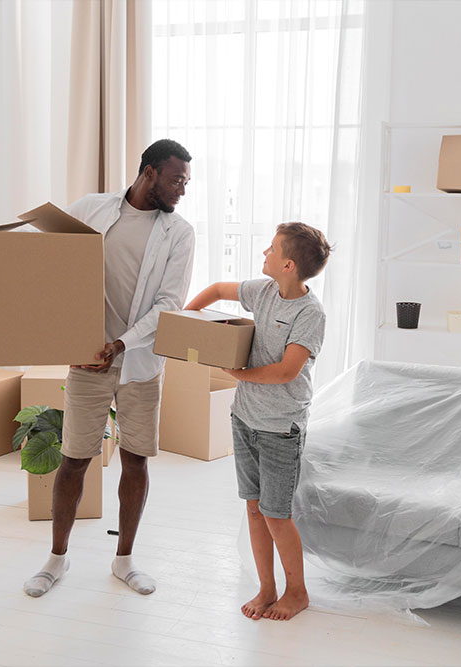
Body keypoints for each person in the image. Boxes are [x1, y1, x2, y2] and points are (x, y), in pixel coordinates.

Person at [0, 139, 195, 598]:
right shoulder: (91, 209)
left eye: (186, 181)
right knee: (75, 459)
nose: (183, 189)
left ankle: (124, 561)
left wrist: (120, 343)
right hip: (87, 362)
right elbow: (37, 259)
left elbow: (168, 304)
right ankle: (55, 560)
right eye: (177, 178)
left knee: (136, 460)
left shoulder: (179, 234)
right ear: (150, 172)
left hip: (139, 363)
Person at [184, 223, 331, 621]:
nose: (263, 252)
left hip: (281, 427)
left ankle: (296, 592)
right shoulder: (262, 291)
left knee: (276, 514)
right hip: (245, 419)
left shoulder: (309, 314)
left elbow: (286, 371)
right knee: (253, 509)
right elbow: (216, 290)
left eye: (271, 248)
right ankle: (266, 588)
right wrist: (186, 321)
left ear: (287, 264)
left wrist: (237, 373)